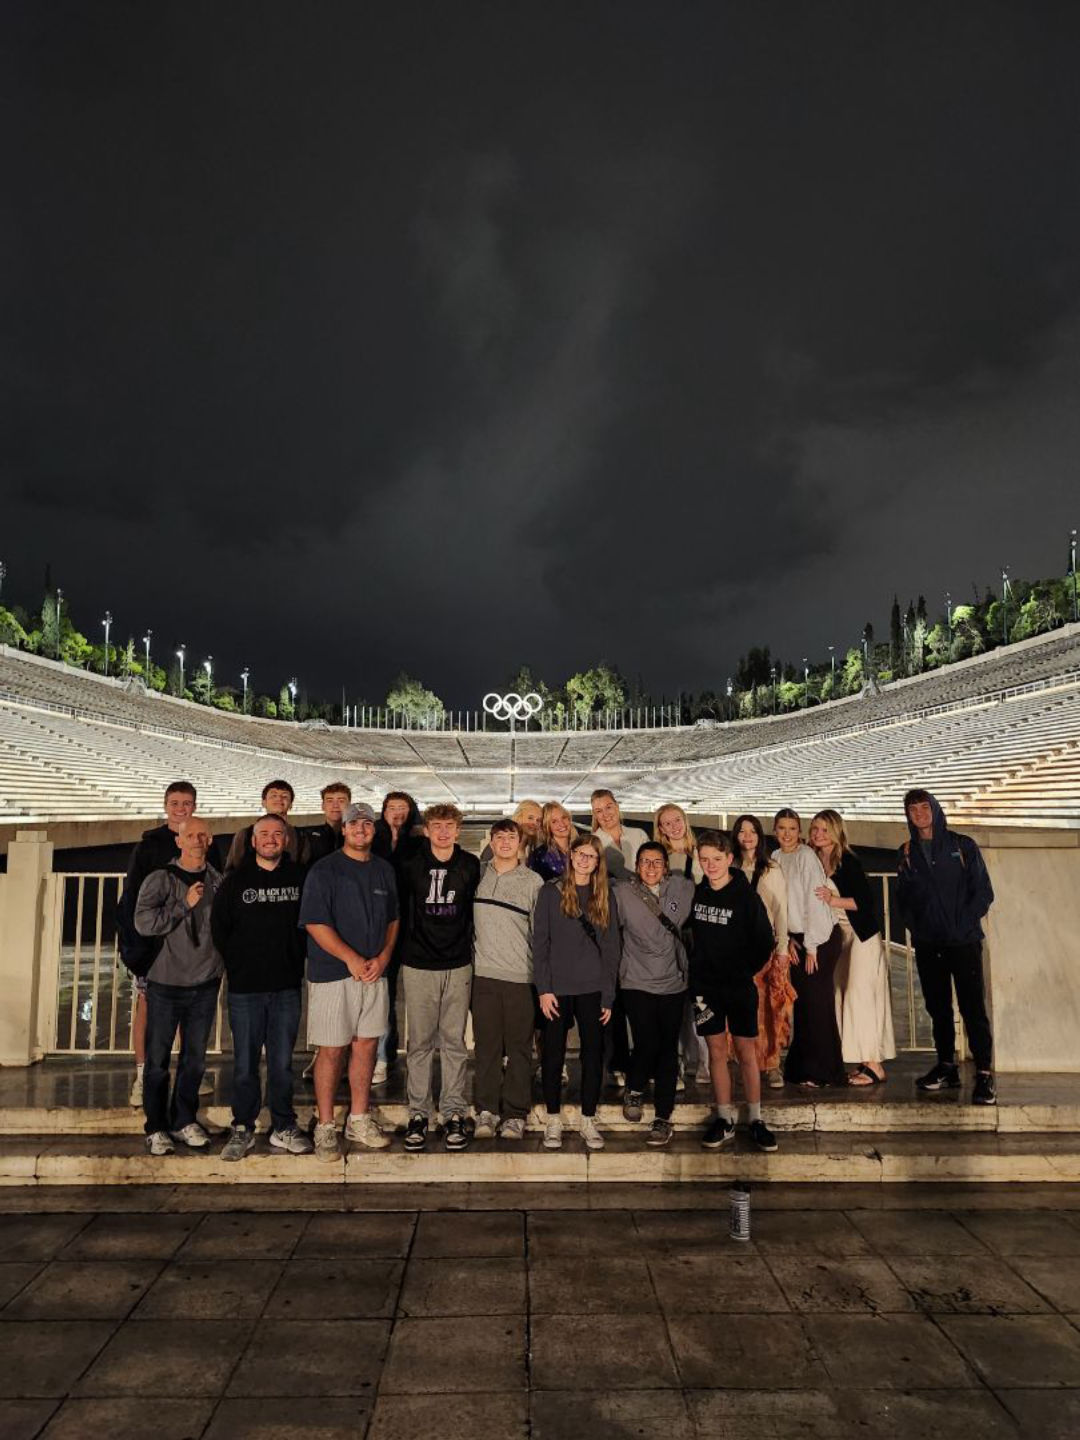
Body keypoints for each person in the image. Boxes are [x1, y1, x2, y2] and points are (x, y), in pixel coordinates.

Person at [299, 802, 400, 1161]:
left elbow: (393, 920)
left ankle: (358, 1117)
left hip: (374, 973)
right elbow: (315, 922)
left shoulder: (384, 871)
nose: (361, 829)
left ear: (375, 830)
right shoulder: (324, 870)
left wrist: (384, 957)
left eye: (367, 824)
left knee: (366, 1045)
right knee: (331, 1049)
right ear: (343, 829)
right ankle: (325, 1125)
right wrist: (352, 959)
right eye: (354, 824)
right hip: (334, 974)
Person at [210, 814, 313, 1158]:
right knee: (244, 1064)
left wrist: (294, 958)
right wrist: (240, 964)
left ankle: (283, 1124)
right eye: (264, 834)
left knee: (283, 1063)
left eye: (277, 834)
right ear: (253, 841)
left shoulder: (300, 878)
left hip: (285, 986)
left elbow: (309, 926)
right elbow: (219, 930)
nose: (271, 839)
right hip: (245, 989)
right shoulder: (234, 882)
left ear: (286, 841)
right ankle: (243, 1127)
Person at [897, 788, 996, 1105]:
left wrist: (962, 923)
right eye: (913, 809)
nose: (919, 814)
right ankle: (946, 1066)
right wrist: (918, 927)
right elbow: (905, 899)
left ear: (935, 809)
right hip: (930, 943)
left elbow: (983, 892)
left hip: (963, 941)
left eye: (924, 807)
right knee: (937, 1008)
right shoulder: (907, 851)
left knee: (972, 1009)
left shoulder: (961, 845)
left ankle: (983, 1073)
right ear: (908, 815)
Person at [134, 815, 224, 1154]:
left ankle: (184, 1119)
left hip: (205, 981)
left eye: (203, 834)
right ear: (179, 841)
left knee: (194, 1059)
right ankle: (155, 1125)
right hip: (166, 982)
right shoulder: (161, 879)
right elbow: (144, 923)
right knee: (157, 1061)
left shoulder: (218, 880)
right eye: (191, 835)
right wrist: (182, 905)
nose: (197, 840)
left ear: (210, 840)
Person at [399, 804, 481, 1152]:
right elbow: (403, 911)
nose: (444, 832)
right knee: (419, 1042)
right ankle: (418, 1112)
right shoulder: (412, 866)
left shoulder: (469, 866)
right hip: (419, 963)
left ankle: (452, 1111)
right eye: (437, 826)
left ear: (458, 830)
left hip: (458, 962)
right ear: (427, 830)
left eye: (449, 826)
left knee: (453, 1042)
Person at [690, 829, 778, 1152]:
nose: (710, 865)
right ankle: (724, 1118)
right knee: (715, 1052)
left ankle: (755, 1118)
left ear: (729, 858)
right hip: (706, 989)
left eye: (716, 859)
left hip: (739, 986)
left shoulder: (746, 896)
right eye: (704, 860)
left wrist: (744, 972)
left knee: (746, 1053)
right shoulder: (697, 894)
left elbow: (765, 942)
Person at [533, 834, 620, 1151]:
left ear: (598, 862)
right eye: (580, 853)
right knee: (553, 1056)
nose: (585, 860)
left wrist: (608, 995)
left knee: (593, 1055)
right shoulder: (550, 892)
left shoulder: (604, 895)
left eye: (591, 856)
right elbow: (540, 944)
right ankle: (553, 1118)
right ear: (570, 856)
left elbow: (612, 949)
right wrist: (543, 989)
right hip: (557, 988)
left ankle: (588, 1117)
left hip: (593, 988)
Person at [117, 780, 197, 1108]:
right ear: (166, 806)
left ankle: (183, 1072)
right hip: (155, 943)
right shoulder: (149, 846)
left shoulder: (202, 840)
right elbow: (134, 897)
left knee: (189, 1010)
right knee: (148, 1006)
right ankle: (142, 1074)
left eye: (187, 803)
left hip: (190, 945)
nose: (181, 809)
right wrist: (135, 944)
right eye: (175, 803)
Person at [809, 809, 896, 1086]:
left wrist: (833, 900)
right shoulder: (812, 859)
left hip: (861, 937)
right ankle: (863, 1060)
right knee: (843, 995)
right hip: (838, 938)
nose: (818, 834)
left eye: (824, 829)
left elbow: (864, 904)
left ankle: (875, 1064)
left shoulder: (848, 861)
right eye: (814, 829)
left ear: (836, 831)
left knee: (861, 997)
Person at [615, 841, 694, 1146]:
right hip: (636, 980)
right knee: (647, 1041)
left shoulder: (682, 889)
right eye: (645, 862)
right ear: (637, 866)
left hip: (673, 981)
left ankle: (663, 1116)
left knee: (667, 1048)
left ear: (665, 866)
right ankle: (634, 1089)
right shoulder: (622, 893)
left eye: (657, 862)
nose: (650, 868)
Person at [472, 818, 544, 1140]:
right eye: (499, 837)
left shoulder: (533, 882)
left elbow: (540, 936)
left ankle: (515, 1114)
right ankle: (486, 1110)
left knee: (519, 1049)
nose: (504, 842)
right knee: (486, 1047)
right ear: (491, 840)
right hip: (483, 977)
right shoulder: (478, 875)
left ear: (520, 842)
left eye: (510, 837)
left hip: (520, 978)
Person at [773, 809, 845, 1088]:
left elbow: (814, 903)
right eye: (782, 828)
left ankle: (824, 1071)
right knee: (803, 1005)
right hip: (796, 939)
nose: (787, 834)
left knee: (818, 1005)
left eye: (792, 828)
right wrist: (787, 939)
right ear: (776, 830)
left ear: (799, 831)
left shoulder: (806, 857)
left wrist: (812, 946)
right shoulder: (777, 858)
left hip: (819, 939)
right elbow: (780, 905)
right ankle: (802, 1068)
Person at [590, 789, 647, 1084]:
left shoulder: (637, 835)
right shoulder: (593, 842)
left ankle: (646, 1059)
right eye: (598, 810)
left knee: (639, 992)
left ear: (617, 807)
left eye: (609, 807)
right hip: (610, 919)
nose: (605, 814)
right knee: (613, 993)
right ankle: (618, 1062)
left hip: (639, 919)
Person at [732, 813, 793, 1090]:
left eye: (752, 831)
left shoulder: (771, 869)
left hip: (765, 948)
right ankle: (746, 1063)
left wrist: (782, 948)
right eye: (742, 831)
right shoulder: (728, 866)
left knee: (771, 1008)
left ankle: (772, 1064)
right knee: (742, 1010)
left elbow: (781, 910)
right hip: (735, 948)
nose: (747, 836)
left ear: (759, 835)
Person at [371, 790, 424, 1084]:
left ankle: (415, 1057)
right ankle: (382, 1055)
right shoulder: (373, 840)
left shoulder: (417, 842)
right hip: (383, 925)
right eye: (392, 807)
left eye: (403, 807)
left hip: (412, 926)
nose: (397, 812)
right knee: (383, 995)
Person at [225, 780, 303, 871]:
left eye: (285, 796)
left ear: (291, 805)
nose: (279, 799)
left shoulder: (300, 837)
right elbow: (231, 869)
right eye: (273, 795)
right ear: (264, 803)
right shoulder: (245, 834)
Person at [301, 782, 352, 865]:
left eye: (341, 801)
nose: (335, 805)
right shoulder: (307, 835)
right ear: (323, 806)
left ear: (350, 806)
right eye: (330, 801)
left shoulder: (358, 836)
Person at [529, 802, 578, 882]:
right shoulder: (539, 855)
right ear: (547, 827)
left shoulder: (583, 847)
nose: (561, 824)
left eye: (563, 817)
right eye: (554, 821)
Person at [654, 803, 703, 881]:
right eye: (668, 824)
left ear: (685, 821)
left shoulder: (701, 853)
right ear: (662, 829)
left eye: (677, 820)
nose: (674, 826)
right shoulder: (657, 858)